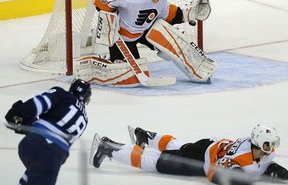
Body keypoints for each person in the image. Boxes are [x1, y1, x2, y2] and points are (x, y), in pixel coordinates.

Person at [83, 0, 216, 86]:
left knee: (167, 34)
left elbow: (167, 14)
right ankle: (98, 65)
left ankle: (196, 69)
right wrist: (107, 14)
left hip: (145, 32)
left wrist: (187, 14)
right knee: (130, 77)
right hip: (122, 38)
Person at [90, 124, 288, 184]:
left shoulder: (257, 150)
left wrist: (279, 172)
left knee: (179, 145)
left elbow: (266, 165)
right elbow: (214, 174)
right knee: (157, 163)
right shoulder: (241, 159)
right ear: (258, 144)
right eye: (269, 144)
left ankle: (146, 136)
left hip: (211, 144)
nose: (272, 148)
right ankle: (108, 148)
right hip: (203, 157)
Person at [4, 79, 92, 185]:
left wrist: (20, 114)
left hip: (33, 145)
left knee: (32, 177)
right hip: (51, 156)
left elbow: (38, 104)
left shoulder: (62, 94)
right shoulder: (85, 120)